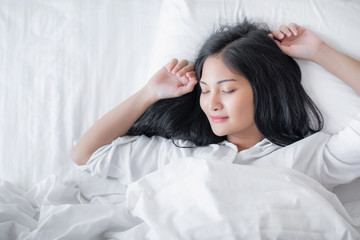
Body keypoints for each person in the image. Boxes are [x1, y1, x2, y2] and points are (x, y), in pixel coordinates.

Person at [71, 20, 360, 190]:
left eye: (228, 90)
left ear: (266, 90)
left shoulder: (309, 158)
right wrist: (148, 93)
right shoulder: (181, 156)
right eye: (205, 91)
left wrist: (320, 52)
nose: (212, 104)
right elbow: (85, 154)